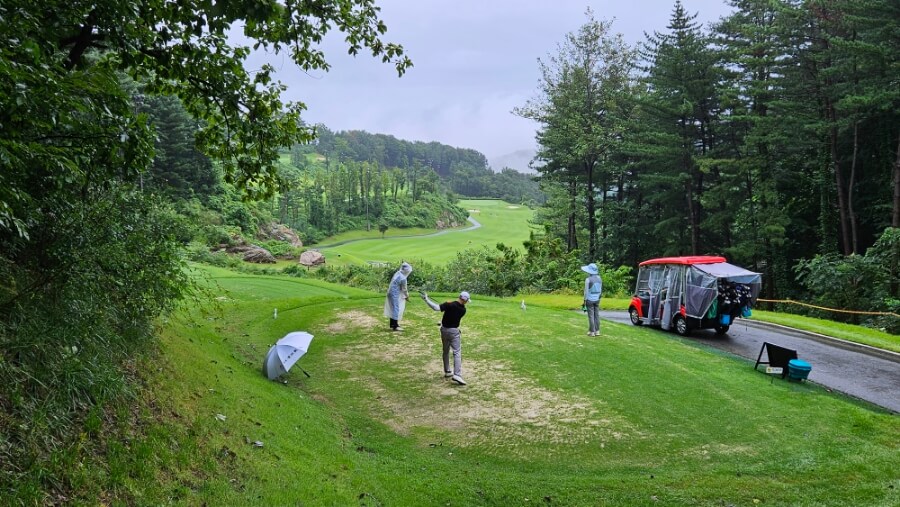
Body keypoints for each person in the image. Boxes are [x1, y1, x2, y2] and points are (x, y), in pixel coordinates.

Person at [421, 290, 470, 385]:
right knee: (457, 352)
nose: (467, 302)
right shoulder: (463, 310)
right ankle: (457, 375)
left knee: (446, 350)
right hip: (454, 332)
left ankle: (447, 371)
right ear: (464, 300)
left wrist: (426, 299)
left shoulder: (449, 304)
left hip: (444, 330)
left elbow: (435, 308)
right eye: (467, 300)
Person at [384, 262, 412, 331]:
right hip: (394, 294)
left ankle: (392, 324)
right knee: (396, 308)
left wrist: (405, 296)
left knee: (393, 307)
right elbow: (404, 289)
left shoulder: (398, 273)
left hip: (390, 292)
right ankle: (395, 326)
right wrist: (407, 296)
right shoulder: (403, 278)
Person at [581, 263, 602, 336]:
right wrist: (599, 297)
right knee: (596, 315)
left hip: (589, 299)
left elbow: (586, 291)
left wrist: (584, 300)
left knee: (591, 316)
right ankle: (597, 331)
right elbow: (600, 290)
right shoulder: (599, 278)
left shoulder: (588, 280)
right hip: (597, 299)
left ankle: (592, 332)